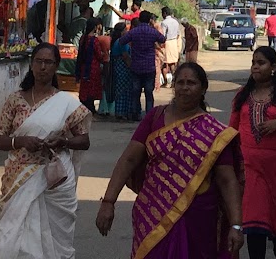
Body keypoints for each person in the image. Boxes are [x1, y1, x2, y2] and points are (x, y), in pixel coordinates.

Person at [96, 61, 243, 259]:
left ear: (203, 89)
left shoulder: (214, 132)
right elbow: (129, 159)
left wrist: (236, 224)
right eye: (180, 82)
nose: (185, 88)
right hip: (151, 213)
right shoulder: (155, 117)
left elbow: (227, 180)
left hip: (197, 220)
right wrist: (108, 202)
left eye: (191, 83)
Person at [0, 42, 91, 259]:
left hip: (54, 181)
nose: (43, 67)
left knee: (55, 241)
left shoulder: (65, 103)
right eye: (39, 61)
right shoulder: (15, 100)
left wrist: (63, 142)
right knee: (12, 240)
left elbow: (84, 141)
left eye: (48, 62)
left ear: (56, 66)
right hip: (20, 177)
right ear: (31, 64)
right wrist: (21, 141)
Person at [230, 46, 276, 259]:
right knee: (254, 223)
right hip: (250, 168)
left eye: (261, 63)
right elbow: (232, 130)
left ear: (273, 67)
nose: (255, 67)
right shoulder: (242, 96)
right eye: (253, 62)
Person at [124, 11, 167, 121]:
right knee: (149, 93)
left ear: (139, 19)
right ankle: (149, 115)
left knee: (135, 92)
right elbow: (163, 39)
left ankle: (135, 114)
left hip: (136, 66)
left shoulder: (134, 32)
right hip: (149, 66)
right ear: (149, 20)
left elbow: (122, 41)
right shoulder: (152, 32)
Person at [77, 20, 109, 117]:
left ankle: (85, 106)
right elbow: (99, 55)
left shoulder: (83, 38)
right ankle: (90, 107)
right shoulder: (94, 40)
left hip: (84, 67)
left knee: (85, 87)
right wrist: (104, 55)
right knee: (92, 88)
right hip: (93, 67)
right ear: (94, 27)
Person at [109, 23, 138, 122]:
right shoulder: (122, 42)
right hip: (123, 68)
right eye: (126, 29)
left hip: (118, 67)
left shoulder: (116, 41)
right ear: (122, 31)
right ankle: (122, 113)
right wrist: (132, 67)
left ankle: (120, 112)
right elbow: (125, 56)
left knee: (120, 90)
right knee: (124, 91)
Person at [160, 10, 183, 86]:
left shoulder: (164, 22)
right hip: (174, 43)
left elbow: (162, 35)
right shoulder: (176, 22)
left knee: (165, 63)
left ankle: (167, 82)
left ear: (165, 13)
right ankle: (174, 80)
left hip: (167, 43)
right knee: (172, 63)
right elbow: (178, 34)